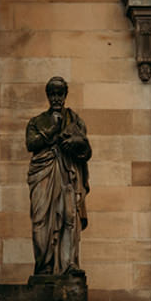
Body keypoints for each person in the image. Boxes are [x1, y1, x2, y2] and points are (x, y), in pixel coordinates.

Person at [25, 76, 91, 278]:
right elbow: (31, 144)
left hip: (67, 173)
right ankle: (44, 265)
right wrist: (53, 130)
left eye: (59, 94)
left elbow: (86, 150)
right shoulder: (36, 122)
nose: (56, 98)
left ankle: (68, 263)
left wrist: (76, 145)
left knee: (69, 217)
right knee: (40, 218)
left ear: (65, 95)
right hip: (43, 172)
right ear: (48, 95)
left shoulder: (74, 120)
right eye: (52, 94)